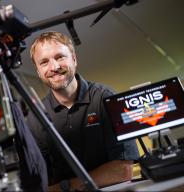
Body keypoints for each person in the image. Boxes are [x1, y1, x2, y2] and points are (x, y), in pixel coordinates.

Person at [26, 31, 139, 191]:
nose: (54, 67)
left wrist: (67, 186)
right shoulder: (35, 118)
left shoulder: (105, 98)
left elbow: (123, 170)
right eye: (44, 62)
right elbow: (41, 181)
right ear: (38, 71)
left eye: (60, 57)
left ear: (74, 59)